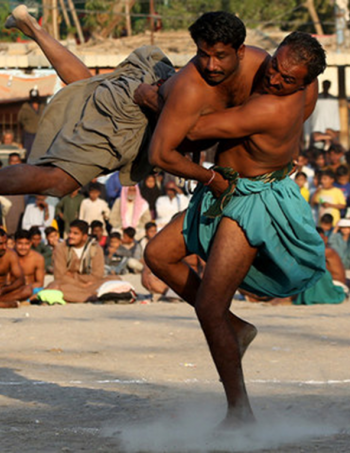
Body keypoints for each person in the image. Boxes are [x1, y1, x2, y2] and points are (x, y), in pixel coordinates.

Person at [0, 10, 268, 237]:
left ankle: (32, 27)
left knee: (90, 87)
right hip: (132, 110)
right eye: (203, 55)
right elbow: (167, 150)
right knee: (60, 181)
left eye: (219, 56)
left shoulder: (261, 65)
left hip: (147, 78)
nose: (210, 65)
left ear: (240, 51)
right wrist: (210, 177)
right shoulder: (193, 88)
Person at [143, 31, 327, 425]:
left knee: (210, 306)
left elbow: (193, 130)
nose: (275, 80)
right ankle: (236, 328)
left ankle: (239, 411)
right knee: (157, 255)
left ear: (304, 84)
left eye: (288, 80)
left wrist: (159, 98)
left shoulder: (272, 108)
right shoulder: (294, 84)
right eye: (275, 68)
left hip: (252, 200)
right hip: (230, 186)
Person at [46, 220, 114, 303]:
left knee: (114, 279)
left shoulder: (95, 248)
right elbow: (59, 276)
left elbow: (97, 276)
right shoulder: (61, 248)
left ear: (84, 236)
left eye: (75, 233)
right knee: (55, 286)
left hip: (91, 285)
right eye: (70, 232)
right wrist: (81, 285)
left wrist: (74, 276)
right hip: (70, 286)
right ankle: (92, 296)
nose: (70, 236)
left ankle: (80, 297)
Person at [14, 229, 46, 294]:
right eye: (20, 243)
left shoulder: (38, 258)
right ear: (15, 243)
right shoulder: (9, 257)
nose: (23, 247)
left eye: (26, 244)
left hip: (32, 290)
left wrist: (26, 288)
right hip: (13, 290)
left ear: (31, 243)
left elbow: (40, 283)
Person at [18, 88, 46, 152]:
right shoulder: (25, 107)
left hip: (41, 133)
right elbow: (21, 120)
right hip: (29, 134)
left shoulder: (43, 106)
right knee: (29, 152)